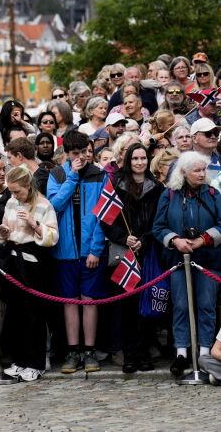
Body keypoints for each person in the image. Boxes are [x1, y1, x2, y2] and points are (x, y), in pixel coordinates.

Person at [152, 151, 221, 377]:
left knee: (206, 306)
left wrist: (204, 239)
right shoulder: (169, 195)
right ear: (184, 172)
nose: (202, 174)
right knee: (181, 306)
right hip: (178, 260)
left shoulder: (213, 194)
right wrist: (175, 240)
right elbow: (159, 227)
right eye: (197, 171)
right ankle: (182, 352)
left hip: (208, 260)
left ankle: (203, 353)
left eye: (203, 170)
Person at [47, 130, 108, 374]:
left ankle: (90, 350)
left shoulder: (100, 174)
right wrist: (72, 176)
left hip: (91, 249)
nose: (81, 157)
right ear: (67, 153)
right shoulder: (57, 174)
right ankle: (73, 351)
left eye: (84, 152)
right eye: (76, 153)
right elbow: (54, 206)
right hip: (65, 251)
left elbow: (104, 215)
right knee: (70, 302)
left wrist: (96, 249)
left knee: (89, 301)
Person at [102, 143, 162, 373]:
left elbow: (159, 220)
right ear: (128, 161)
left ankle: (143, 351)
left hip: (147, 252)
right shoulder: (117, 186)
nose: (139, 162)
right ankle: (128, 353)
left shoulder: (156, 188)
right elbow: (107, 221)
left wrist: (143, 240)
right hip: (124, 253)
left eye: (143, 158)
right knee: (125, 307)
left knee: (145, 305)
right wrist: (124, 237)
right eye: (135, 158)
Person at [0, 165, 59, 381]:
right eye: (11, 191)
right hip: (13, 259)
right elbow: (6, 227)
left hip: (34, 262)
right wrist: (4, 233)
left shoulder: (44, 205)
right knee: (15, 313)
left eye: (17, 191)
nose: (14, 195)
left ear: (28, 186)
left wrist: (34, 223)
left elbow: (52, 237)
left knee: (34, 315)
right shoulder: (12, 203)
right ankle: (19, 361)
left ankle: (36, 363)